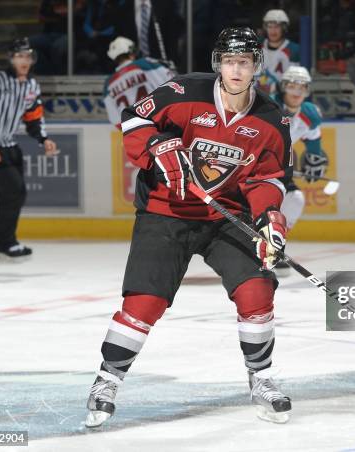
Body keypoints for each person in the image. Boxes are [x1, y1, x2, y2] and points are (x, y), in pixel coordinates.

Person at [85, 27, 293, 428]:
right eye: (230, 61)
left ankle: (262, 377)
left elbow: (267, 178)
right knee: (145, 302)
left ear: (255, 66)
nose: (237, 69)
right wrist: (156, 147)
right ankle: (107, 380)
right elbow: (133, 120)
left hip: (224, 216)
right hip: (166, 212)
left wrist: (270, 218)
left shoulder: (271, 119)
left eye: (245, 62)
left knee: (256, 289)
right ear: (219, 63)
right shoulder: (183, 92)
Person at [0, 38, 58, 260]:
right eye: (19, 56)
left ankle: (6, 244)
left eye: (27, 56)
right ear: (11, 59)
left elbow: (33, 118)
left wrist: (43, 139)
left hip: (10, 145)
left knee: (15, 195)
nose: (24, 60)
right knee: (13, 193)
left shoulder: (31, 85)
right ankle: (6, 244)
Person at [271, 65, 326, 275]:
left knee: (294, 199)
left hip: (276, 168)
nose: (296, 92)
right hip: (250, 165)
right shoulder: (268, 107)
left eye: (301, 87)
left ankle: (274, 248)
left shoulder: (310, 115)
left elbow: (314, 144)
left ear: (307, 90)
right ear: (283, 87)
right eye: (292, 86)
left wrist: (315, 160)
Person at [103, 36, 176, 128]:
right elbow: (172, 83)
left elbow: (117, 121)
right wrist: (168, 68)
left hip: (136, 134)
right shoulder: (145, 64)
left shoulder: (108, 85)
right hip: (161, 123)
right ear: (131, 52)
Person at [258, 9, 300, 94]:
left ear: (284, 28)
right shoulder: (256, 47)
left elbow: (295, 81)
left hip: (281, 100)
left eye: (277, 27)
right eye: (270, 26)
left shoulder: (294, 50)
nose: (273, 31)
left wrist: (275, 88)